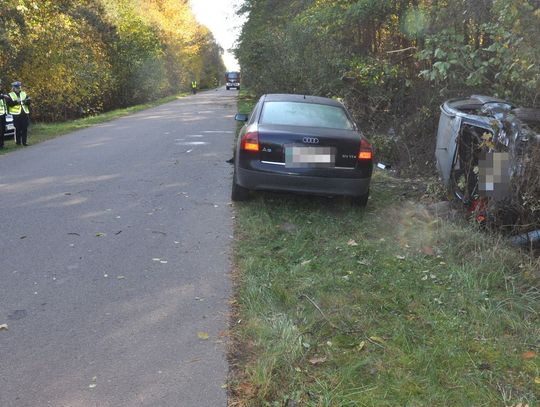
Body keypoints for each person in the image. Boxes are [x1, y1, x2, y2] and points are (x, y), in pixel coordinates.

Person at [6, 81, 31, 146]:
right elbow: (9, 104)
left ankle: (24, 142)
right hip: (16, 114)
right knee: (17, 128)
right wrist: (17, 102)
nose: (18, 88)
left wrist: (26, 101)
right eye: (16, 87)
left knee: (25, 128)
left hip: (24, 113)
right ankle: (18, 142)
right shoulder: (10, 94)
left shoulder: (24, 93)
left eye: (19, 87)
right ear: (13, 88)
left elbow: (29, 102)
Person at [0, 79, 6, 149]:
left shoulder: (1, 93)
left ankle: (2, 144)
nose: (0, 86)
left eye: (0, 85)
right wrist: (3, 96)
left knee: (2, 130)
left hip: (2, 114)